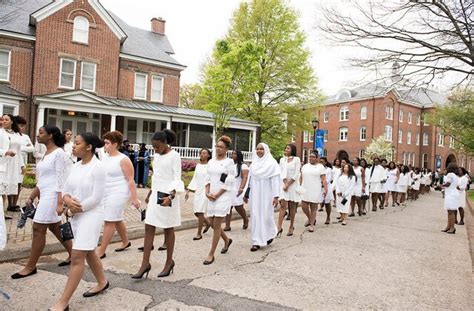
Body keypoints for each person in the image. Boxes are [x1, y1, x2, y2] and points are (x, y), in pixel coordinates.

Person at [51, 133, 109, 311]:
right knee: (88, 250)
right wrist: (67, 201)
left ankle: (63, 303)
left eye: (77, 143)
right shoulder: (75, 166)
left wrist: (75, 208)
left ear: (89, 147)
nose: (73, 146)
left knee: (77, 257)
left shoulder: (98, 167)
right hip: (76, 214)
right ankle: (102, 281)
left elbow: (97, 198)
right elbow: (66, 190)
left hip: (91, 215)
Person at [11, 125, 73, 279]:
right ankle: (74, 254)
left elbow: (60, 180)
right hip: (44, 194)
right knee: (55, 226)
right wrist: (32, 196)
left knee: (38, 228)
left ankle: (30, 267)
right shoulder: (46, 153)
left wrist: (60, 203)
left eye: (41, 133)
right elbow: (43, 180)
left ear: (50, 135)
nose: (37, 135)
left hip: (53, 196)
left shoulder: (59, 153)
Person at [133, 130, 183, 278]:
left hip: (168, 196)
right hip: (156, 195)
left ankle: (169, 262)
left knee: (168, 229)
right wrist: (150, 194)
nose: (155, 149)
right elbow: (156, 176)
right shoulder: (157, 155)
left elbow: (177, 178)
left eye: (157, 146)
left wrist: (171, 196)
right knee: (149, 226)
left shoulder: (174, 156)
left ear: (165, 142)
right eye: (153, 146)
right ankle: (145, 264)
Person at [96, 131, 140, 259]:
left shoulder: (123, 159)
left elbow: (131, 179)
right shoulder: (105, 157)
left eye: (107, 143)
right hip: (106, 191)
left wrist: (134, 198)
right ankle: (126, 242)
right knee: (117, 218)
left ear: (115, 144)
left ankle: (101, 250)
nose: (105, 145)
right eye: (105, 142)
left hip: (119, 192)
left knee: (109, 220)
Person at [202, 135, 235, 265]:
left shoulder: (229, 162)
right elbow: (207, 178)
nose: (218, 149)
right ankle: (226, 240)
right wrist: (207, 192)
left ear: (226, 149)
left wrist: (218, 194)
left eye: (221, 147)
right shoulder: (211, 162)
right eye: (217, 146)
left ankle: (211, 254)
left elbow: (229, 181)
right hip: (211, 195)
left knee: (216, 225)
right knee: (212, 222)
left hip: (223, 195)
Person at [244, 143, 280, 251]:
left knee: (266, 216)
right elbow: (250, 180)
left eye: (261, 149)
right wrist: (246, 193)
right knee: (255, 216)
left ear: (266, 150)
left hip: (267, 194)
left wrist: (276, 196)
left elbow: (275, 181)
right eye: (257, 149)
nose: (259, 151)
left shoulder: (272, 164)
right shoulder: (254, 163)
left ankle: (270, 233)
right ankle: (256, 241)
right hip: (255, 193)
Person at [0, 114, 25, 215]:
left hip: (14, 164)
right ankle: (1, 212)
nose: (4, 121)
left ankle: (5, 210)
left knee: (9, 187)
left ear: (12, 122)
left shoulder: (16, 134)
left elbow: (18, 152)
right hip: (3, 163)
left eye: (6, 120)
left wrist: (22, 165)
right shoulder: (0, 133)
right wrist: (5, 152)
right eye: (3, 120)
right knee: (2, 187)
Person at [186, 148, 212, 240]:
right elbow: (195, 178)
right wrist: (188, 190)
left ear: (208, 155)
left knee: (200, 212)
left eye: (204, 153)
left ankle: (199, 233)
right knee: (196, 212)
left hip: (206, 191)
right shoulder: (198, 166)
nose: (202, 154)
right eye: (201, 153)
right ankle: (208, 223)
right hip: (198, 191)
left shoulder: (211, 166)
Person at [277, 144, 301, 237]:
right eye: (285, 148)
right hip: (284, 184)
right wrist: (285, 182)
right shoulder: (282, 160)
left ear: (292, 150)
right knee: (283, 205)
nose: (285, 149)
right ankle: (279, 227)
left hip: (293, 185)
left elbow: (296, 174)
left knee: (292, 207)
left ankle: (291, 226)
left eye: (288, 148)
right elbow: (281, 172)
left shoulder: (296, 160)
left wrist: (288, 184)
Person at [300, 151, 327, 232]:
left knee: (313, 207)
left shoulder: (320, 167)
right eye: (310, 156)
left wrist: (325, 189)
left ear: (317, 158)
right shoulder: (305, 166)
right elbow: (301, 177)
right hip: (305, 188)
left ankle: (311, 225)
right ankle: (310, 219)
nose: (311, 158)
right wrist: (299, 186)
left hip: (315, 189)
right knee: (303, 205)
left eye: (313, 157)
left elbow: (324, 179)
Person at [224, 150, 249, 231]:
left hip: (237, 189)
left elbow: (245, 177)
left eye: (234, 154)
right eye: (232, 154)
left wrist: (241, 188)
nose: (232, 155)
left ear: (239, 155)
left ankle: (245, 219)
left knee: (239, 207)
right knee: (228, 207)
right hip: (229, 189)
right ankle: (227, 226)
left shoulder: (243, 166)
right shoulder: (230, 165)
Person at [440, 163, 460, 234]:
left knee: (451, 212)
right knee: (450, 211)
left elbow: (448, 184)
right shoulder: (456, 176)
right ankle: (448, 226)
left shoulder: (450, 174)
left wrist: (440, 186)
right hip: (453, 193)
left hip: (451, 194)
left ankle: (452, 228)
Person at [319, 157, 333, 224]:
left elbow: (328, 179)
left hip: (326, 187)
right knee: (315, 203)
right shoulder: (317, 169)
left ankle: (328, 217)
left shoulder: (329, 170)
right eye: (320, 161)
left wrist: (323, 184)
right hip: (318, 187)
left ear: (325, 162)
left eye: (322, 161)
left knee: (327, 203)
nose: (321, 163)